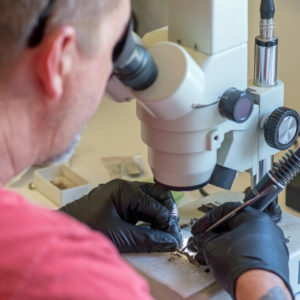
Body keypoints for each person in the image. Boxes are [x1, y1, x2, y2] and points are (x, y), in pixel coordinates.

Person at [0, 1, 293, 299]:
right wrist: (262, 282)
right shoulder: (82, 282)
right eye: (115, 52)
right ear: (58, 61)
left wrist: (60, 223)